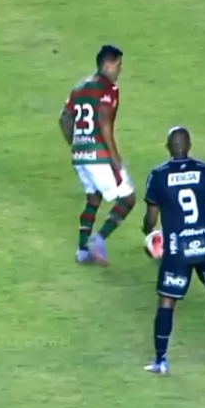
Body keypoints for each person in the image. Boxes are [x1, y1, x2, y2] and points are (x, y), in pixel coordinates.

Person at [142, 126, 205, 374]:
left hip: (178, 251)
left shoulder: (158, 175)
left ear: (168, 147)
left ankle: (161, 361)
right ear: (189, 146)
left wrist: (149, 231)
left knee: (167, 302)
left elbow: (151, 218)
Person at [59, 44, 136, 266]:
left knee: (93, 198)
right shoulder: (109, 89)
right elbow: (104, 122)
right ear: (108, 65)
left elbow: (64, 119)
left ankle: (83, 251)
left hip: (80, 155)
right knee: (128, 199)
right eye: (118, 65)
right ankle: (98, 239)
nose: (120, 70)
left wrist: (75, 143)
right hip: (98, 156)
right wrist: (114, 159)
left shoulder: (79, 88)